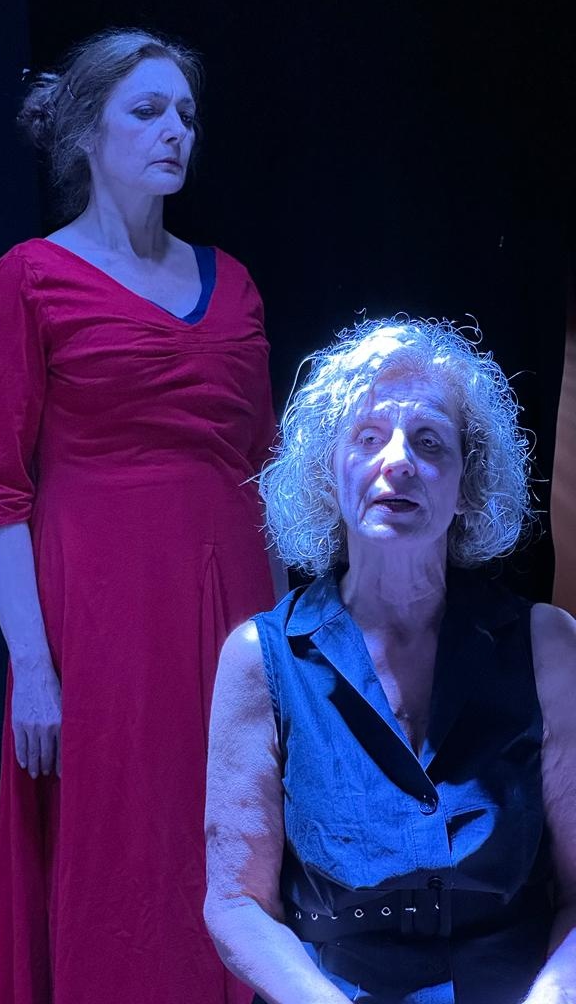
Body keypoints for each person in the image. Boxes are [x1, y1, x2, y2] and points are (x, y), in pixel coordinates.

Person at [0, 28, 279, 1004]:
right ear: (85, 133)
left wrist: (294, 654)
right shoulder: (30, 279)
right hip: (101, 629)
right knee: (123, 860)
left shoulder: (234, 285)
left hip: (232, 618)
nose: (175, 129)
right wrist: (34, 670)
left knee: (236, 847)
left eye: (186, 112)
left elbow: (272, 477)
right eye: (147, 110)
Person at [204, 318, 576, 1004]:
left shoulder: (547, 646)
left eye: (429, 441)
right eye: (368, 438)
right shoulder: (260, 659)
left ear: (467, 485)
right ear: (330, 473)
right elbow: (236, 904)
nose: (398, 461)